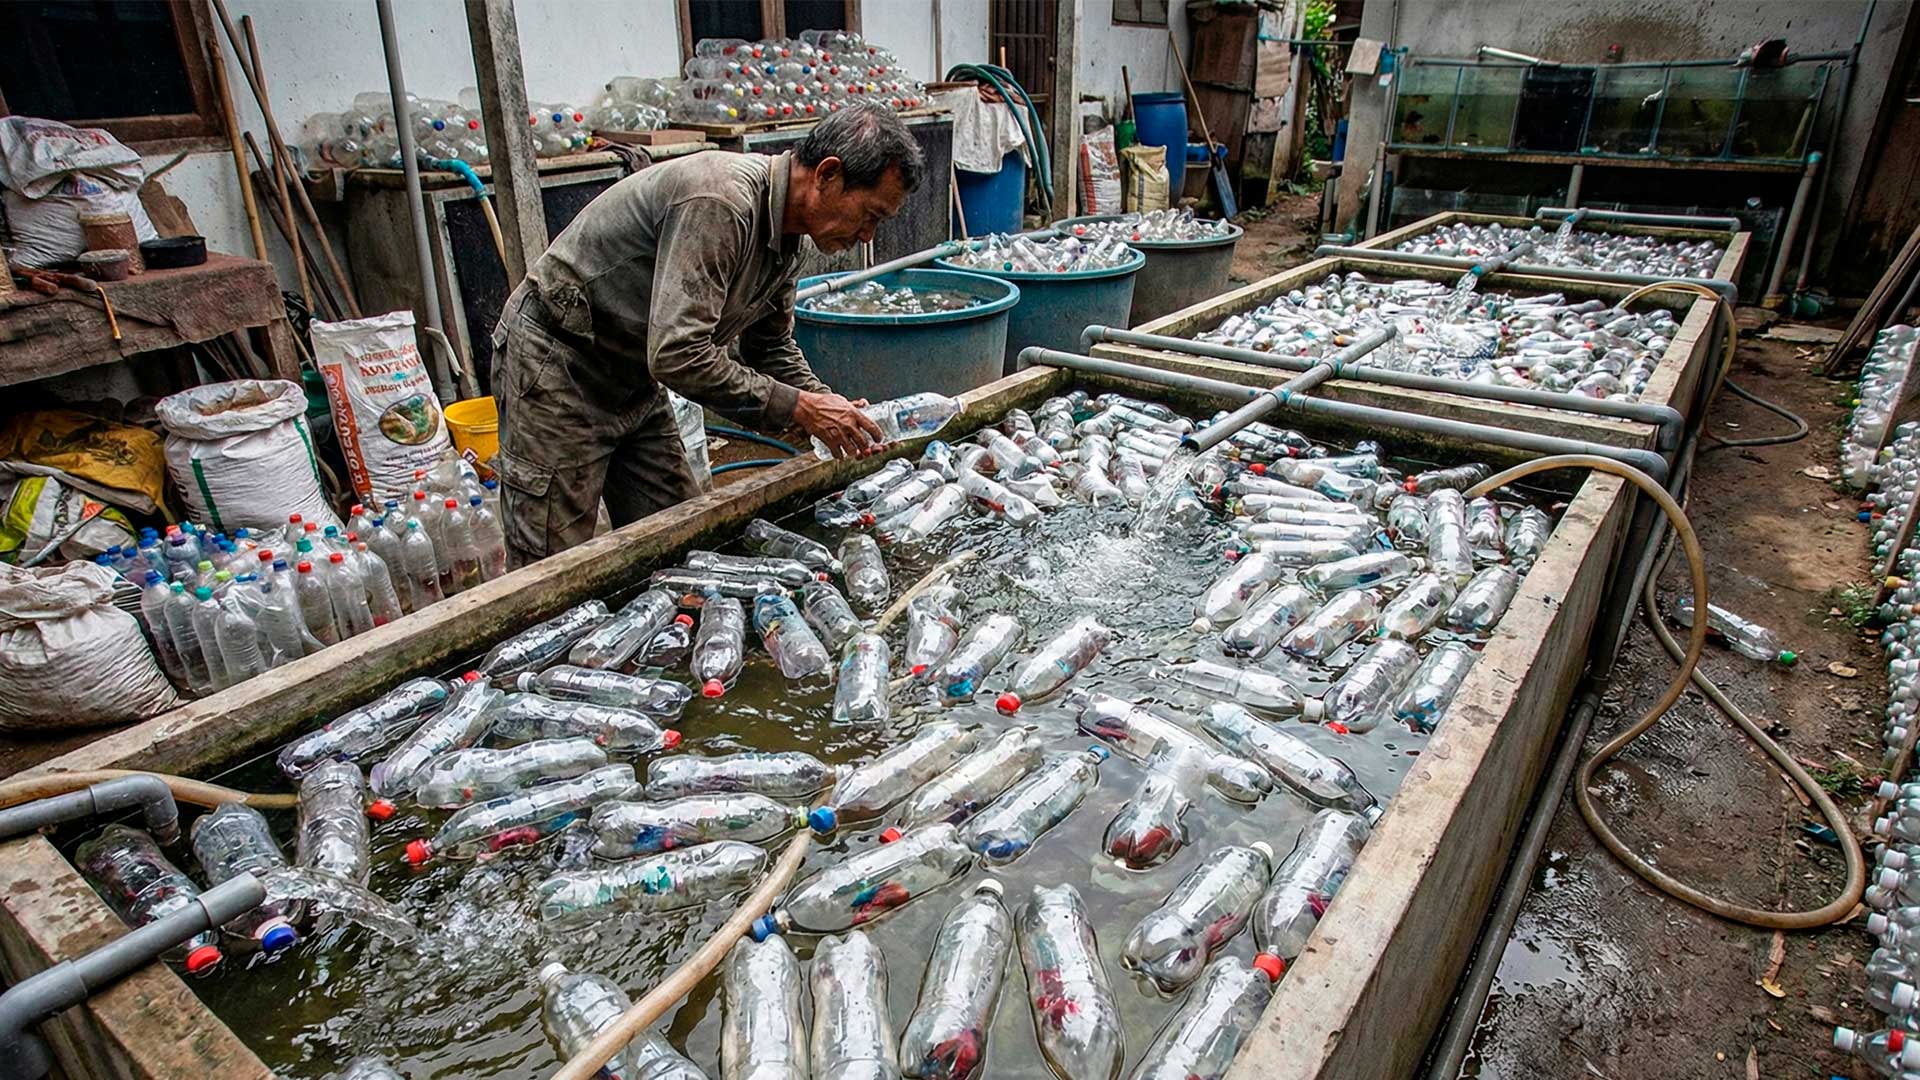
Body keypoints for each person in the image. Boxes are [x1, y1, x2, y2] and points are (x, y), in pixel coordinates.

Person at [489, 103, 923, 567]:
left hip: (635, 375)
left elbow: (769, 346)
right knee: (554, 566)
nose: (867, 236)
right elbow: (678, 354)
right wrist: (801, 408)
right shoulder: (722, 203)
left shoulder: (790, 238)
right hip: (560, 367)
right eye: (871, 215)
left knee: (681, 541)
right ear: (828, 175)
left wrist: (825, 404)